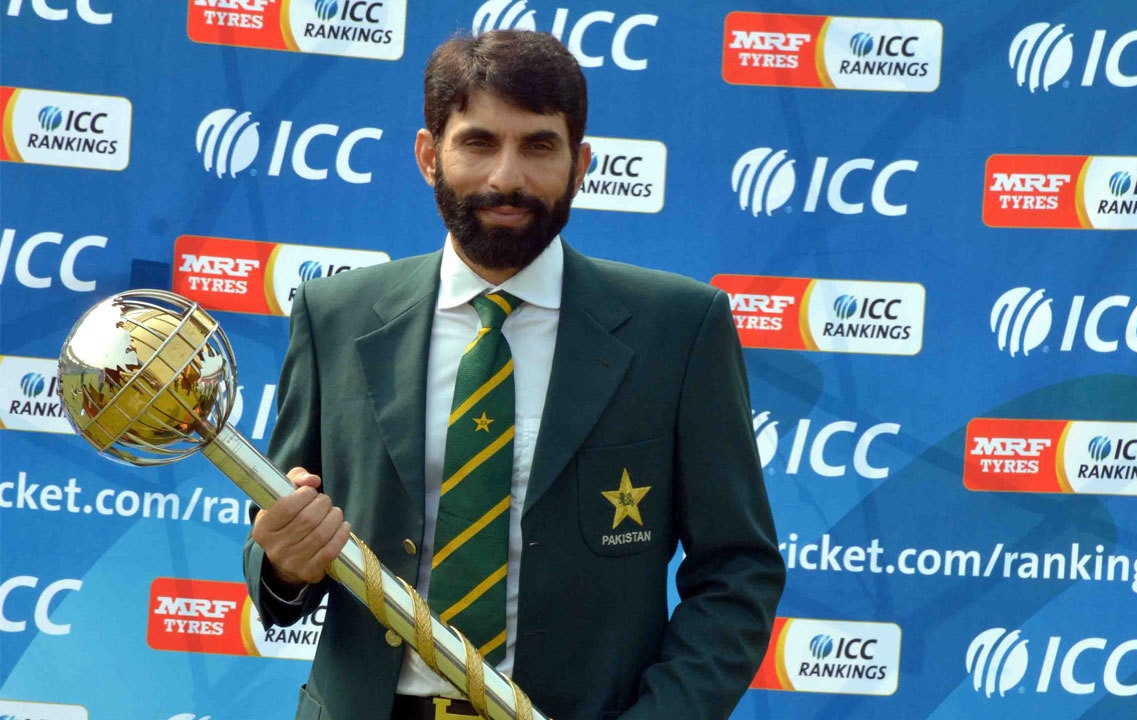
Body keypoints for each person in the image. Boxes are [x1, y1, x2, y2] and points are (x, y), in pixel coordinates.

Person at [244, 29, 785, 720]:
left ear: (581, 163)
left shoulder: (679, 330)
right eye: (477, 142)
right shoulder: (335, 317)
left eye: (538, 145)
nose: (507, 177)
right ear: (428, 156)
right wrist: (285, 565)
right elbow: (277, 542)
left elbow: (738, 569)